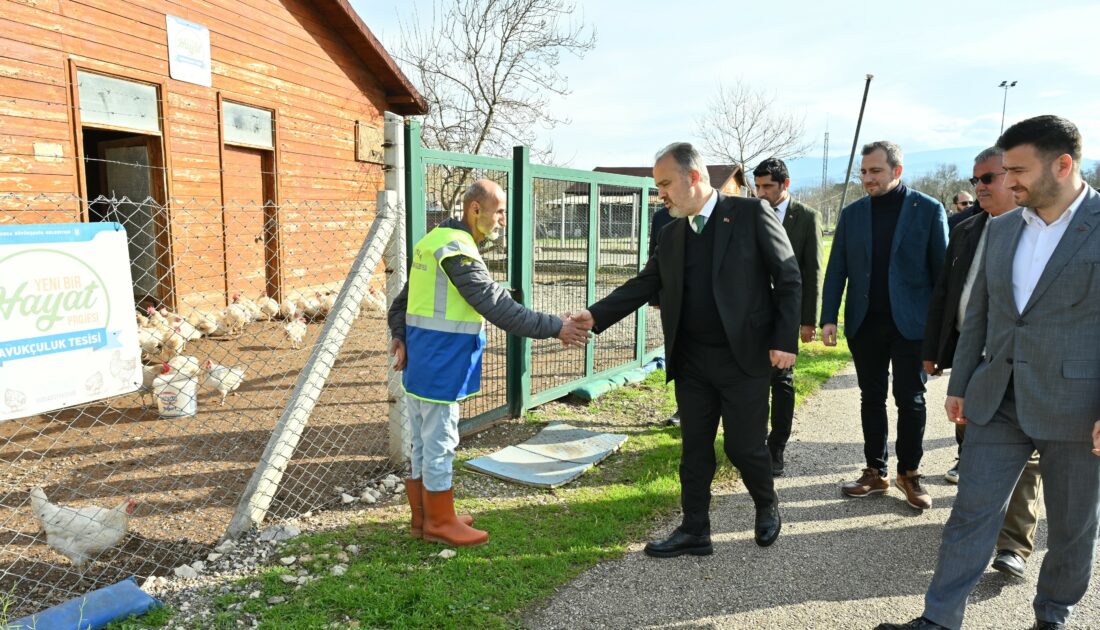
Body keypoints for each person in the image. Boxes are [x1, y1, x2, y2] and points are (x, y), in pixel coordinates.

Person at [876, 115, 1100, 630]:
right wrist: (961, 385)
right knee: (971, 513)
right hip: (999, 397)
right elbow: (982, 313)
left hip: (1077, 405)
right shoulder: (999, 230)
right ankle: (939, 618)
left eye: (1018, 170)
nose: (1009, 180)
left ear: (1063, 165)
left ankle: (1053, 614)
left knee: (1072, 527)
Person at [570, 142, 801, 556]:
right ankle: (695, 529)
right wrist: (595, 315)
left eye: (665, 184)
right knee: (694, 449)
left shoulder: (750, 214)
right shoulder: (671, 232)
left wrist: (784, 341)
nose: (661, 194)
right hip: (692, 360)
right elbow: (645, 283)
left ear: (694, 177)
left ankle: (766, 504)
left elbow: (788, 277)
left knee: (743, 447)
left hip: (743, 358)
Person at [387, 179, 590, 547]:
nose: (502, 220)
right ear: (475, 209)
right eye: (499, 211)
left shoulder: (432, 241)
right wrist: (556, 327)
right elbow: (494, 304)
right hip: (441, 362)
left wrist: (399, 335)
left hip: (422, 361)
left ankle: (424, 518)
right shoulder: (456, 248)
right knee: (440, 443)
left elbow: (401, 303)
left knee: (422, 441)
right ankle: (440, 522)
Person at [920, 146, 1042, 578]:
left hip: (1023, 363)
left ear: (1012, 179)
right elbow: (946, 292)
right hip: (974, 358)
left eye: (988, 178)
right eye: (976, 181)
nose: (980, 188)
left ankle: (1013, 545)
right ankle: (976, 525)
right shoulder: (967, 228)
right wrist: (934, 349)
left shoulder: (1038, 234)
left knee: (1026, 456)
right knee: (972, 441)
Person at [820, 141, 948, 510]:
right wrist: (830, 316)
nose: (867, 178)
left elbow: (941, 278)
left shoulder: (928, 209)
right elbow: (837, 269)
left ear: (897, 171)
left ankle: (910, 473)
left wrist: (940, 336)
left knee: (911, 400)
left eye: (874, 171)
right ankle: (876, 472)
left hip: (912, 326)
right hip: (865, 324)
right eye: (863, 172)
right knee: (871, 397)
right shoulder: (854, 213)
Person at [753, 157, 823, 476]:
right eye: (757, 186)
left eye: (768, 186)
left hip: (787, 312)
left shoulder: (806, 218)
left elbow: (812, 271)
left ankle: (776, 446)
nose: (761, 193)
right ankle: (753, 443)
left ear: (785, 185)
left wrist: (808, 320)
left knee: (781, 380)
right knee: (753, 379)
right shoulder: (749, 213)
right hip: (752, 312)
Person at [648, 202, 680, 427]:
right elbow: (654, 258)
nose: (662, 194)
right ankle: (684, 408)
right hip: (670, 299)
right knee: (676, 352)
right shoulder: (660, 218)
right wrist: (656, 297)